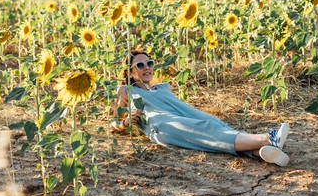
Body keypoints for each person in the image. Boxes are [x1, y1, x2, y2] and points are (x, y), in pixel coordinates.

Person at [111, 49, 290, 166]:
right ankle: (269, 139)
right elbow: (113, 124)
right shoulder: (126, 90)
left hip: (182, 116)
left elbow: (180, 108)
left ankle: (261, 152)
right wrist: (126, 122)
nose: (147, 68)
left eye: (149, 63)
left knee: (211, 122)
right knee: (205, 129)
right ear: (130, 72)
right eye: (140, 65)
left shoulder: (163, 87)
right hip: (163, 125)